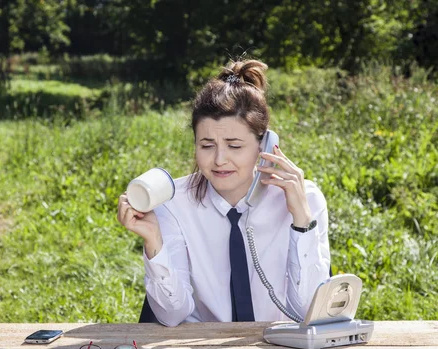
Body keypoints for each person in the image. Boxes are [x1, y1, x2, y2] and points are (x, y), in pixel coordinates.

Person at [117, 59, 331, 327]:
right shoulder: (173, 204)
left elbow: (310, 312)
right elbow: (171, 315)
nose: (219, 160)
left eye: (235, 146)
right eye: (207, 145)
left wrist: (301, 220)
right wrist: (154, 243)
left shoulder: (307, 199)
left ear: (264, 145)